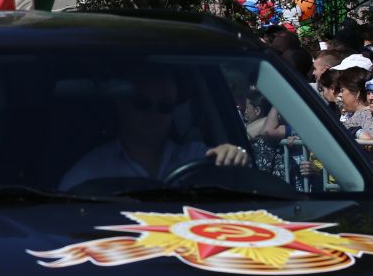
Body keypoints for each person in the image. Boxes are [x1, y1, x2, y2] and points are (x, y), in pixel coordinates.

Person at [58, 75, 247, 190]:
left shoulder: (199, 157)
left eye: (165, 106)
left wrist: (234, 158)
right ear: (121, 106)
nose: (153, 114)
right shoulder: (91, 171)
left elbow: (241, 195)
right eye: (143, 104)